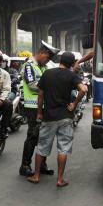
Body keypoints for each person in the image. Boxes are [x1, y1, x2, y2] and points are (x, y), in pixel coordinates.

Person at [27, 52, 87, 187]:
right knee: (63, 148)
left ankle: (36, 176)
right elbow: (83, 89)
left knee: (42, 147)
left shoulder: (47, 74)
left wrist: (39, 113)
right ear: (72, 64)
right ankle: (59, 180)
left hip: (48, 117)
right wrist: (74, 104)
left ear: (60, 60)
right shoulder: (72, 75)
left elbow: (40, 96)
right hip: (65, 116)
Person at [19, 41, 59, 177]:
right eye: (47, 57)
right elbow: (31, 85)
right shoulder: (28, 66)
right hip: (33, 106)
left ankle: (42, 164)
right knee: (33, 136)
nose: (47, 61)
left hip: (45, 106)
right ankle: (25, 166)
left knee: (46, 137)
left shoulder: (44, 68)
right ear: (42, 53)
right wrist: (50, 89)